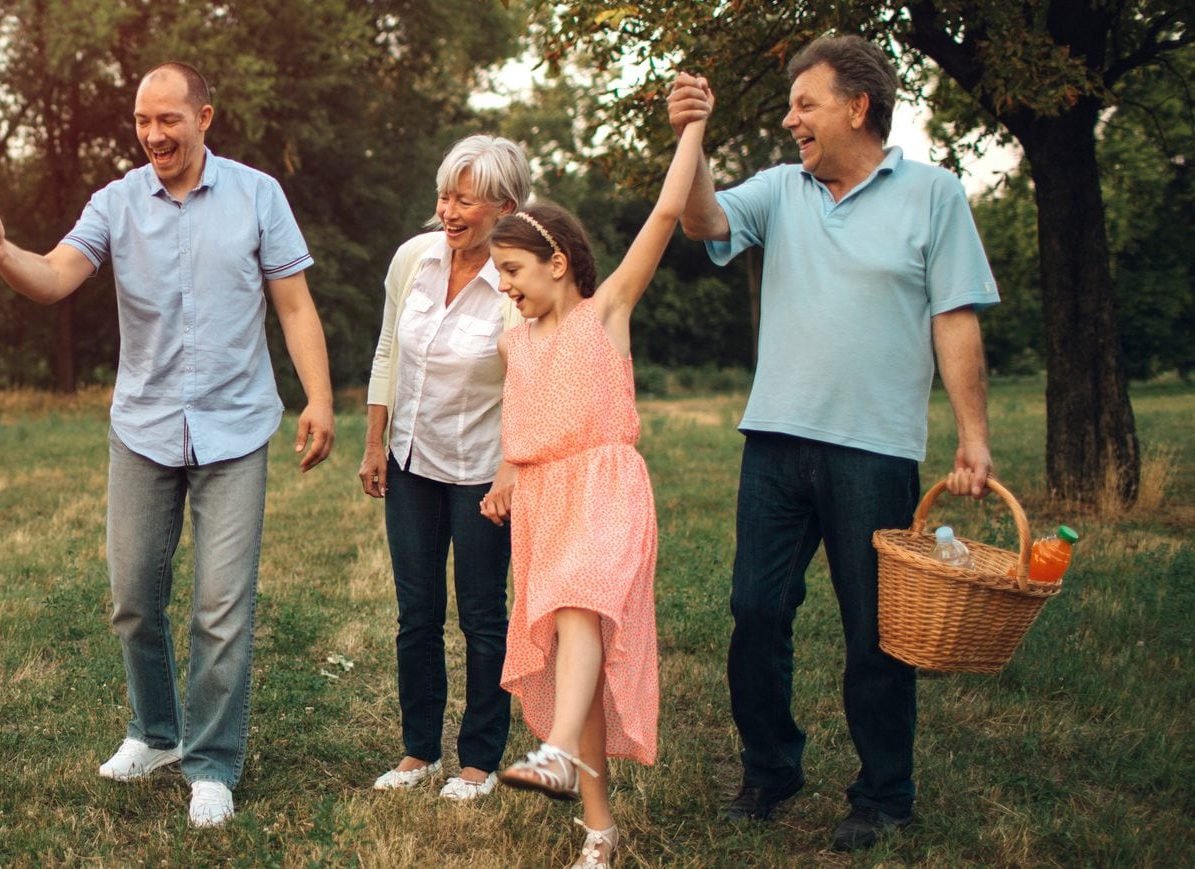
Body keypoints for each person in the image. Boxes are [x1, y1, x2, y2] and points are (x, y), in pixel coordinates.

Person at [0, 61, 336, 828]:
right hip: (144, 426)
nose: (154, 134)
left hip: (234, 426)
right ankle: (155, 732)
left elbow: (293, 305)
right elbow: (55, 275)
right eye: (142, 121)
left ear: (205, 116)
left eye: (169, 119)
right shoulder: (115, 202)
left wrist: (320, 399)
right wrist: (1, 253)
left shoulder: (258, 195)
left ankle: (212, 763)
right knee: (134, 598)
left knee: (220, 606)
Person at [670, 35, 999, 852]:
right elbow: (701, 218)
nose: (791, 121)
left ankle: (884, 793)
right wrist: (691, 135)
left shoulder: (933, 195)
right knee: (754, 609)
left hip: (873, 450)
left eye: (804, 105)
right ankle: (770, 768)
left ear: (857, 107)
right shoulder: (782, 190)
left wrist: (972, 439)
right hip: (775, 439)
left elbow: (953, 317)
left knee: (877, 631)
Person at [478, 105, 710, 868]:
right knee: (567, 658)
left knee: (579, 599)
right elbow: (527, 424)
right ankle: (598, 828)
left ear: (554, 260)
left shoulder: (605, 311)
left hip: (606, 488)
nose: (503, 286)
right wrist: (507, 476)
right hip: (545, 503)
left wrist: (691, 129)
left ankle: (549, 753)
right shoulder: (515, 344)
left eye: (510, 270)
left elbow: (669, 210)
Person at [358, 134, 529, 801]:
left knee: (483, 615)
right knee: (416, 610)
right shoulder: (412, 260)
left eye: (464, 198)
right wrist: (375, 442)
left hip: (483, 471)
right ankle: (417, 751)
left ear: (504, 206)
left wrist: (512, 469)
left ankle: (477, 761)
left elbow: (531, 381)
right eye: (443, 195)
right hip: (409, 461)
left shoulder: (518, 278)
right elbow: (384, 352)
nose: (447, 210)